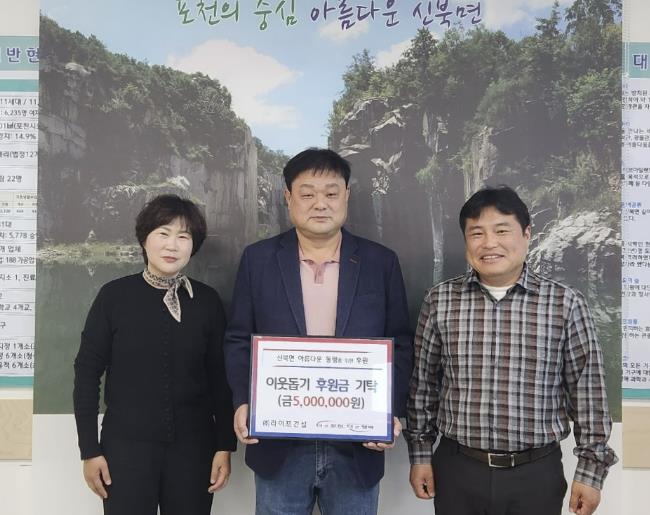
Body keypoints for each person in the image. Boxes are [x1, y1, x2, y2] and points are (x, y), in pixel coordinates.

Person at [405, 185, 617, 515]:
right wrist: (420, 455)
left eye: (502, 230)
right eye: (477, 233)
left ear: (527, 233)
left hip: (536, 474)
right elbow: (423, 385)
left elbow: (588, 393)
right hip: (458, 469)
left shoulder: (565, 304)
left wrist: (591, 472)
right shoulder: (440, 301)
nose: (489, 243)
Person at [224, 148, 413, 515]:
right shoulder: (258, 259)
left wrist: (388, 411)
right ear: (288, 197)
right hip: (279, 444)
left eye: (331, 193)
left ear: (347, 196)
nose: (320, 203)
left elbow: (400, 344)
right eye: (307, 193)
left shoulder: (380, 262)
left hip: (357, 446)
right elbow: (238, 339)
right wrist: (243, 401)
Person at [73, 194, 236, 515]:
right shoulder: (114, 297)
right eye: (163, 233)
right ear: (144, 239)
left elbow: (220, 378)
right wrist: (89, 450)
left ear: (193, 246)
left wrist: (224, 445)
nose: (172, 245)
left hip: (194, 450)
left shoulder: (207, 301)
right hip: (125, 449)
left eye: (183, 237)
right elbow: (87, 374)